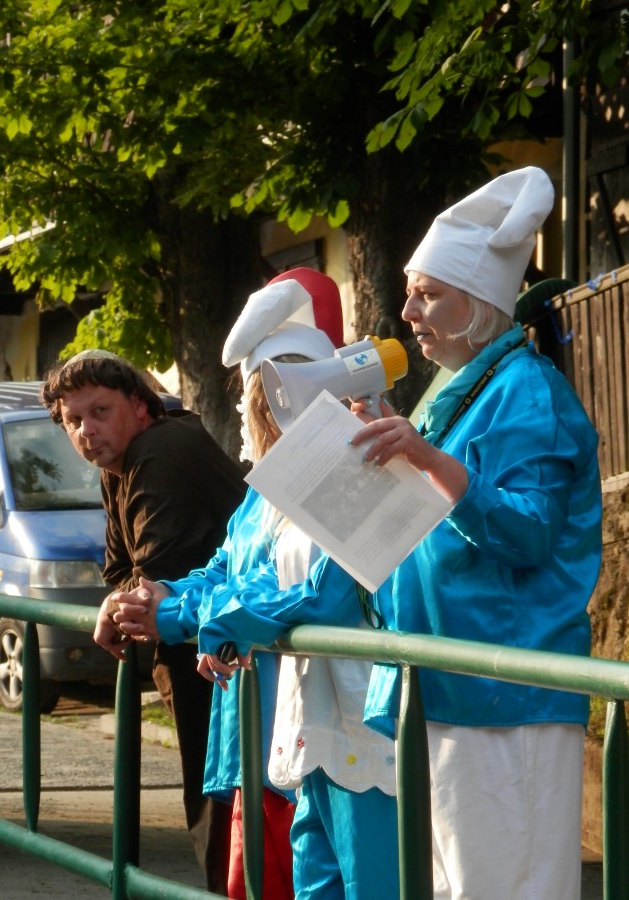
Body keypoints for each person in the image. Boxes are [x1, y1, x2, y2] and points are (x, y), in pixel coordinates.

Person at [349, 166, 603, 900]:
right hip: (452, 685)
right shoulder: (457, 391)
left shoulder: (525, 390)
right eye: (410, 292)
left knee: (502, 886)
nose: (407, 311)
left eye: (426, 293)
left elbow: (526, 533)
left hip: (506, 694)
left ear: (480, 301)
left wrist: (423, 458)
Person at [107, 267, 364, 900]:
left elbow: (326, 589)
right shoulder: (263, 492)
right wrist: (166, 601)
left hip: (335, 729)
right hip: (265, 723)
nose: (251, 416)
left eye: (255, 395)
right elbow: (226, 570)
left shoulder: (350, 473)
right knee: (262, 881)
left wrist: (196, 617)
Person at [40, 351, 246, 895]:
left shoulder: (162, 450)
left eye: (99, 411)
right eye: (73, 420)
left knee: (222, 810)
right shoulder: (124, 459)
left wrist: (119, 602)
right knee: (218, 810)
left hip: (223, 660)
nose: (86, 431)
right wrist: (119, 599)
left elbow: (152, 581)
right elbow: (118, 572)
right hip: (204, 653)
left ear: (139, 404)